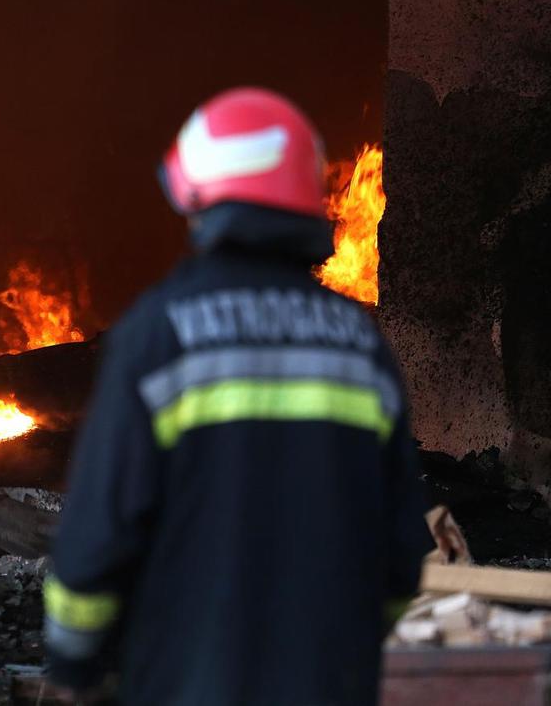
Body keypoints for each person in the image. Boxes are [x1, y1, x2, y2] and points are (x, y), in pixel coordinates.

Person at [42, 88, 431, 705]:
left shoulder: (160, 334)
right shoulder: (360, 347)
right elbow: (403, 548)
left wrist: (72, 663)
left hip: (188, 682)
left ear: (199, 200)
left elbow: (99, 530)